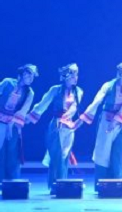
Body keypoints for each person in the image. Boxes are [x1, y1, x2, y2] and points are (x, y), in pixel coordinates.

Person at [76, 61, 122, 181]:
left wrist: (115, 121)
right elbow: (96, 102)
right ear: (120, 74)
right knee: (102, 152)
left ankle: (116, 182)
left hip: (121, 122)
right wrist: (82, 119)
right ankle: (101, 183)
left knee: (118, 152)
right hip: (106, 120)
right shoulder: (108, 86)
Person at [27, 63, 83, 193]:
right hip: (56, 126)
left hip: (69, 126)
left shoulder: (78, 91)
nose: (75, 78)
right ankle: (56, 184)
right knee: (56, 155)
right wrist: (29, 117)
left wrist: (69, 120)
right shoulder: (55, 90)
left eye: (76, 75)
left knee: (64, 156)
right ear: (66, 77)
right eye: (73, 75)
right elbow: (43, 104)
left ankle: (62, 184)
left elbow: (74, 107)